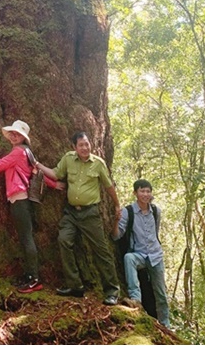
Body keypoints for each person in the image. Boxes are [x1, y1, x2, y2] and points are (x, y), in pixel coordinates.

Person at [0, 119, 61, 293]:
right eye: (12, 133)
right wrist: (54, 184)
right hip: (22, 198)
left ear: (24, 137)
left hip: (20, 198)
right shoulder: (28, 153)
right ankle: (29, 276)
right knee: (24, 237)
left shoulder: (18, 152)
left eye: (18, 134)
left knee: (26, 238)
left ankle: (34, 279)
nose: (14, 136)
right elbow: (36, 172)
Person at [35, 131, 122, 306]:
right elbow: (55, 174)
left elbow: (108, 185)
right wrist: (38, 165)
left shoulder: (98, 164)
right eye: (81, 145)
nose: (85, 148)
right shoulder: (68, 159)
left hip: (90, 213)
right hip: (71, 213)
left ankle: (112, 291)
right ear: (74, 147)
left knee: (101, 251)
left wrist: (117, 204)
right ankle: (75, 285)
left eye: (87, 144)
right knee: (64, 240)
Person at [117, 179, 171, 328]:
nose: (145, 194)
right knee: (129, 258)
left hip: (155, 256)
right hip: (139, 254)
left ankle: (166, 325)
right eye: (142, 191)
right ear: (135, 193)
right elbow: (116, 235)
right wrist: (115, 221)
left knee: (161, 294)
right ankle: (135, 299)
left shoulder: (155, 211)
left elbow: (155, 232)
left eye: (148, 191)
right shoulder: (128, 212)